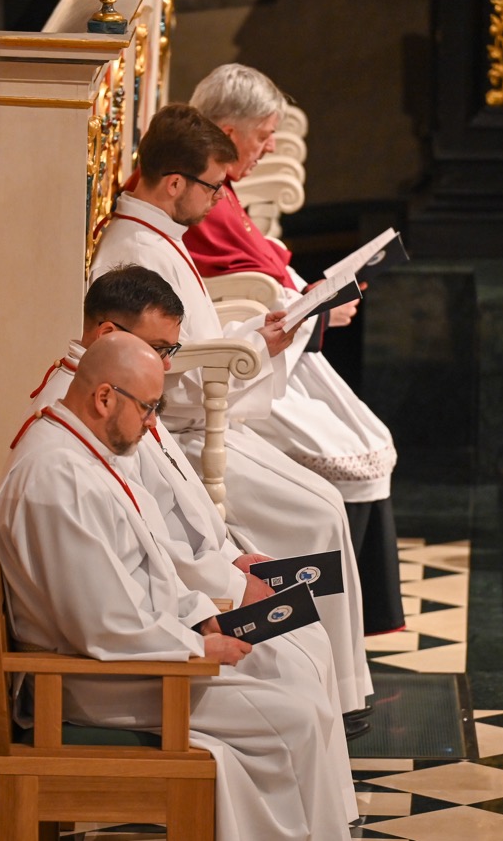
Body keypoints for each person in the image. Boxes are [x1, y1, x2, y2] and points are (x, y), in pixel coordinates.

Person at [0, 332, 358, 840]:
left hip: (136, 659)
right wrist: (198, 645)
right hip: (97, 680)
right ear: (104, 397)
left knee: (294, 680)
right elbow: (104, 625)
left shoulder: (82, 452)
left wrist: (202, 616)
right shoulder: (56, 479)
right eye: (147, 407)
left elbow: (144, 571)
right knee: (293, 719)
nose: (151, 423)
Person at [90, 104, 375, 710]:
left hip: (203, 414)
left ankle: (332, 686)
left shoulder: (158, 236)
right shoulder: (134, 249)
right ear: (175, 183)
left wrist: (255, 334)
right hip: (182, 430)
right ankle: (315, 687)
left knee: (325, 505)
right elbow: (167, 371)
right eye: (213, 187)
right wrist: (256, 345)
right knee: (319, 514)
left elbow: (189, 342)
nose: (219, 200)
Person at [17, 264, 372, 734]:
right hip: (116, 672)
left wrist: (226, 574)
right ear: (108, 338)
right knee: (295, 705)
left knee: (303, 655)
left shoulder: (112, 401)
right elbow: (112, 602)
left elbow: (153, 534)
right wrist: (204, 625)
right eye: (161, 349)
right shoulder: (77, 443)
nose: (168, 365)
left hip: (156, 631)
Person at [183, 68, 407, 636]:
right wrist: (318, 312)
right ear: (228, 133)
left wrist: (313, 299)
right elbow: (230, 296)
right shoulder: (199, 197)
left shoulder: (215, 188)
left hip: (263, 352)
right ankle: (331, 624)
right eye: (264, 136)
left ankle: (357, 621)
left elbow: (256, 263)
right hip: (238, 374)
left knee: (369, 442)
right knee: (347, 463)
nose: (271, 148)